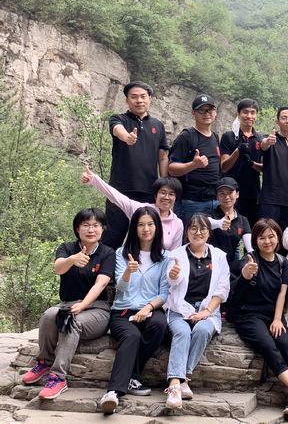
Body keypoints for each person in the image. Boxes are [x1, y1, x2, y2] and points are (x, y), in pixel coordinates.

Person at [22, 208, 115, 400]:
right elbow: (58, 268)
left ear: (102, 229)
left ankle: (58, 377)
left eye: (96, 225)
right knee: (49, 315)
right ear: (77, 228)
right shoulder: (67, 248)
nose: (91, 229)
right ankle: (44, 362)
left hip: (97, 309)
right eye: (86, 225)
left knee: (71, 321)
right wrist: (72, 259)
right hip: (68, 303)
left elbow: (101, 284)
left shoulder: (107, 253)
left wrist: (83, 305)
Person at [226, 219, 288, 417]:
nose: (267, 241)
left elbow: (282, 293)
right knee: (267, 344)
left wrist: (277, 319)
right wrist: (245, 275)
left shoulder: (282, 263)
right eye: (262, 237)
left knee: (283, 341)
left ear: (278, 238)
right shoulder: (250, 260)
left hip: (271, 314)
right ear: (255, 241)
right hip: (248, 315)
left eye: (271, 236)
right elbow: (237, 292)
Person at [99, 207, 169, 414]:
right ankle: (113, 393)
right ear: (134, 228)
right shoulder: (122, 253)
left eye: (150, 224)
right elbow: (120, 289)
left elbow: (164, 293)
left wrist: (148, 307)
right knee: (132, 336)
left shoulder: (164, 257)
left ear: (157, 227)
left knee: (159, 325)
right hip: (123, 309)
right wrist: (128, 272)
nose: (146, 229)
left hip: (150, 308)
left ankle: (132, 375)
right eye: (141, 224)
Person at [164, 214, 230, 409]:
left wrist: (206, 311)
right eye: (193, 228)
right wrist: (173, 275)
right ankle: (175, 385)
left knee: (202, 330)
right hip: (179, 309)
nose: (198, 232)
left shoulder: (219, 256)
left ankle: (183, 377)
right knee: (183, 332)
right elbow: (172, 282)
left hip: (208, 309)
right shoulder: (176, 254)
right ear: (187, 232)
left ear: (209, 232)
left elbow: (222, 289)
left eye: (203, 228)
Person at [105, 81, 169, 248]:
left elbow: (163, 157)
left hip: (148, 191)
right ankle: (105, 265)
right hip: (120, 190)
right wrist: (127, 137)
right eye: (134, 97)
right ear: (127, 100)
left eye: (143, 96)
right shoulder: (119, 119)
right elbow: (117, 130)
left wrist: (165, 184)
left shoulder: (158, 125)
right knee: (114, 235)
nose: (139, 100)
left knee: (144, 238)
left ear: (150, 99)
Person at [81, 166, 184, 251]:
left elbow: (175, 253)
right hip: (132, 260)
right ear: (156, 195)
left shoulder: (177, 223)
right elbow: (116, 197)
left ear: (176, 198)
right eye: (163, 193)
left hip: (160, 265)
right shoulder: (142, 210)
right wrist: (94, 179)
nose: (166, 197)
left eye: (171, 194)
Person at [168, 94, 222, 225]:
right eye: (201, 110)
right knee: (189, 235)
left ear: (215, 112)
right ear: (193, 113)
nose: (206, 113)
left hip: (214, 200)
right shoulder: (186, 137)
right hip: (191, 201)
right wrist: (193, 164)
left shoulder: (215, 137)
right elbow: (172, 168)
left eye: (210, 110)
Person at [259, 107, 288, 231]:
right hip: (270, 199)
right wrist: (267, 142)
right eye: (284, 118)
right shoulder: (271, 139)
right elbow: (263, 145)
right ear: (277, 121)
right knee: (268, 233)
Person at [220, 99, 264, 226]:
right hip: (230, 193)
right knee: (230, 228)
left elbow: (265, 168)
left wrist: (252, 164)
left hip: (253, 193)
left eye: (252, 112)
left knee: (251, 230)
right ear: (239, 114)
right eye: (245, 112)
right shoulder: (228, 136)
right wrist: (238, 151)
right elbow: (224, 167)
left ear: (256, 115)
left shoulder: (260, 139)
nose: (249, 116)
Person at [209, 177, 252, 264]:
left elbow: (249, 247)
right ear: (217, 197)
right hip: (211, 262)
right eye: (222, 193)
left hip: (232, 264)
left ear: (237, 194)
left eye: (230, 192)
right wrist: (218, 223)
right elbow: (203, 223)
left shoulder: (243, 220)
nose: (227, 197)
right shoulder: (210, 214)